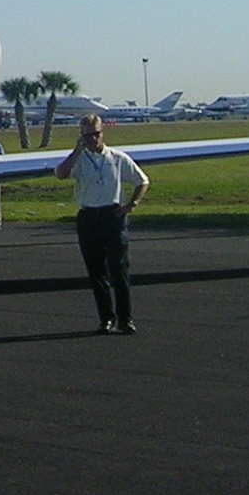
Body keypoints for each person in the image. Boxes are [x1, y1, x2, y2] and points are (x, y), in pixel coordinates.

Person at [54, 114, 149, 334]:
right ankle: (106, 319)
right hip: (88, 218)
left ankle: (126, 318)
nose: (92, 139)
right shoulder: (78, 160)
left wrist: (131, 204)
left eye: (96, 134)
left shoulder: (117, 157)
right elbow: (60, 174)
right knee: (96, 271)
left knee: (119, 267)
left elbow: (142, 181)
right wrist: (77, 150)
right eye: (87, 135)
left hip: (112, 216)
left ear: (102, 132)